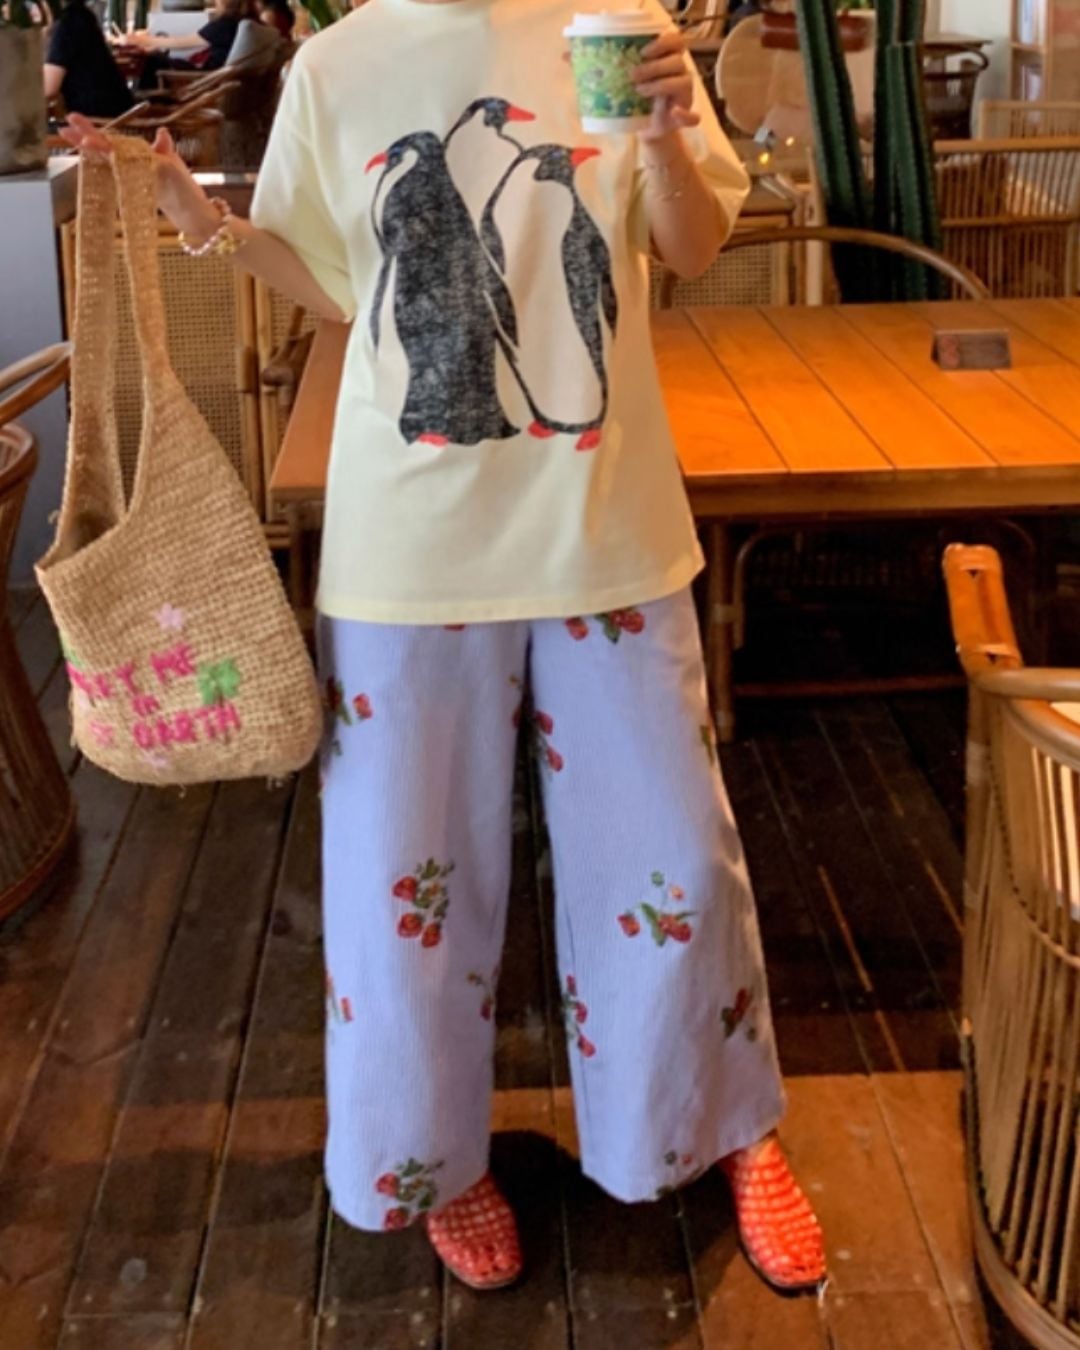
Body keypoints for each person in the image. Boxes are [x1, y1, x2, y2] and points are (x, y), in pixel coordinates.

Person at [62, 0, 826, 1299]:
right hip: (406, 553)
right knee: (401, 883)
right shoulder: (338, 65)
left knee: (675, 858)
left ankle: (714, 1125)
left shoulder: (622, 30)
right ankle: (432, 1161)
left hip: (607, 525)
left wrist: (659, 126)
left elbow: (690, 247)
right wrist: (206, 221)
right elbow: (340, 289)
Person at [43, 0, 133, 119]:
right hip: (116, 114)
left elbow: (48, 89)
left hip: (104, 122)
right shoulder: (81, 15)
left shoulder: (68, 23)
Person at [129, 0, 258, 75]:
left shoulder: (224, 24)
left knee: (152, 60)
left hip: (204, 79)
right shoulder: (249, 22)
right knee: (155, 56)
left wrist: (138, 40)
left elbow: (180, 43)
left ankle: (143, 105)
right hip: (214, 76)